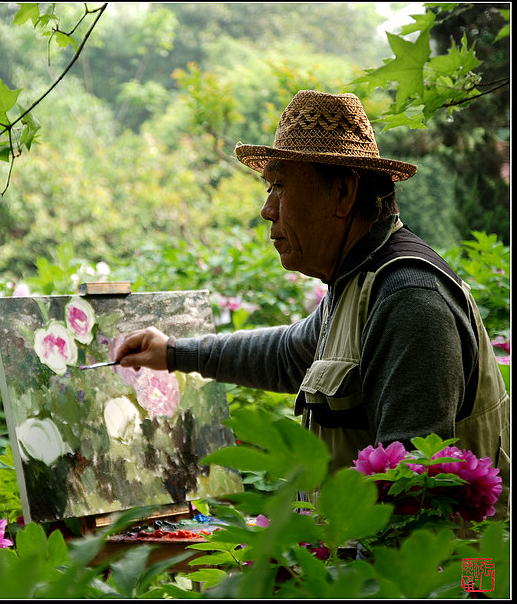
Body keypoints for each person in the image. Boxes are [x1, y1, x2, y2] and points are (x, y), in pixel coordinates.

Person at [114, 90, 510, 520]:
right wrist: (171, 352)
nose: (267, 209)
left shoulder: (409, 300)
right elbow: (288, 354)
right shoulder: (357, 280)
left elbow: (408, 503)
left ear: (342, 192)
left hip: (457, 581)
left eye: (280, 186)